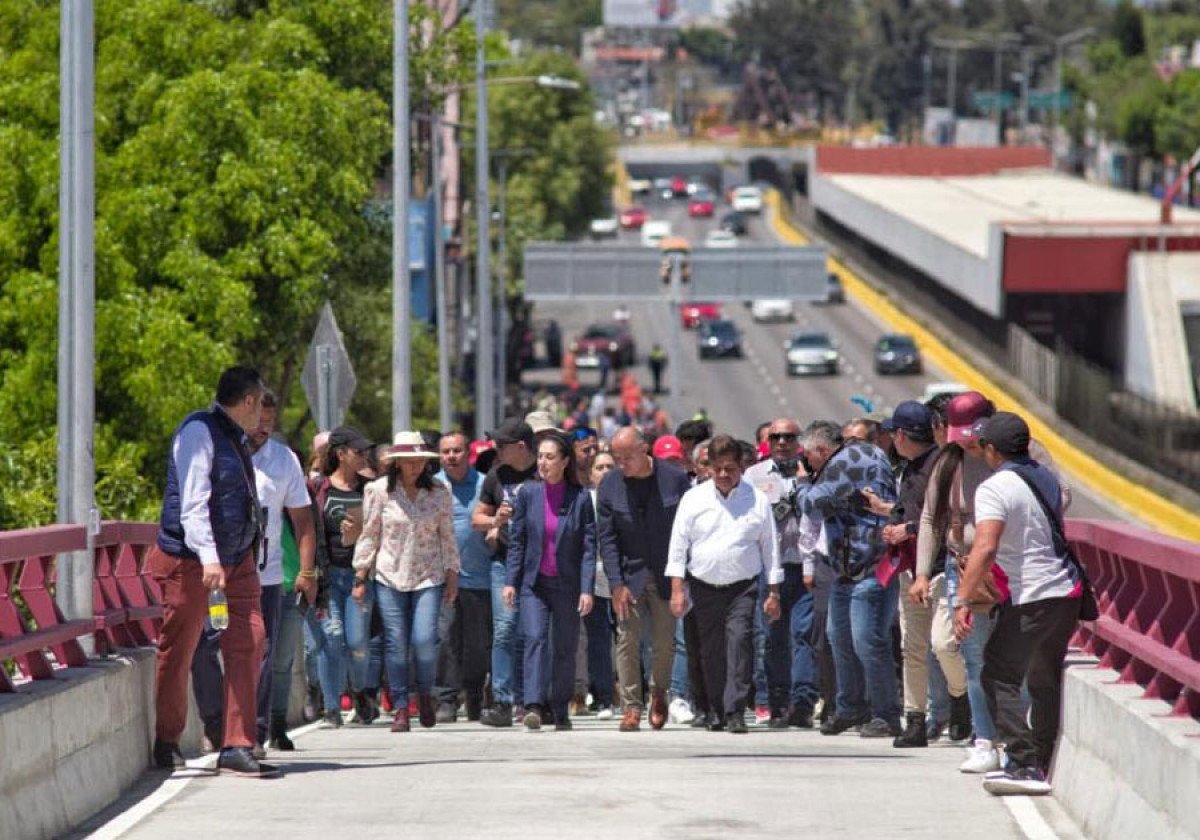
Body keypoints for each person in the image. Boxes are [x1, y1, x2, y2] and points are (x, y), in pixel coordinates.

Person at [150, 366, 272, 776]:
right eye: (261, 403)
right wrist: (209, 557)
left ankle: (237, 743)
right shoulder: (197, 432)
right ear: (249, 400)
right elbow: (192, 502)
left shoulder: (237, 439)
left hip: (237, 561)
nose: (264, 415)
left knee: (250, 639)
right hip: (192, 559)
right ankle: (167, 739)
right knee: (180, 645)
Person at [954, 412, 1083, 796]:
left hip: (1032, 593)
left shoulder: (996, 487)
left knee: (997, 673)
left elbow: (985, 544)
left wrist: (963, 598)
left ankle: (1023, 764)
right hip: (1065, 592)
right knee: (1043, 678)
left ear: (991, 449)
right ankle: (1040, 760)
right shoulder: (1045, 477)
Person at [190, 391, 317, 757]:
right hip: (220, 576)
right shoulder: (219, 452)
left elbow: (303, 521)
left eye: (270, 422)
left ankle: (252, 734)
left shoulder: (284, 460)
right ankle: (216, 724)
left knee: (260, 652)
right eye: (257, 421)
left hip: (267, 578)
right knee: (204, 648)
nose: (263, 429)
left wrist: (307, 571)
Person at [868, 401, 970, 748]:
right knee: (911, 647)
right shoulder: (909, 468)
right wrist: (892, 522)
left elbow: (937, 519)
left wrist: (907, 529)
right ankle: (915, 718)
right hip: (910, 570)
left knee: (943, 644)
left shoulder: (940, 466)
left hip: (941, 569)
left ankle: (961, 700)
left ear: (900, 434)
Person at [667, 435, 783, 733]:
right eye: (716, 468)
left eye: (729, 468)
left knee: (740, 644)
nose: (722, 475)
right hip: (703, 586)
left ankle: (735, 711)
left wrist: (773, 592)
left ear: (741, 467)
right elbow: (678, 546)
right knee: (710, 650)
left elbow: (770, 547)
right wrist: (677, 589)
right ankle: (714, 709)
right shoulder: (694, 499)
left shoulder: (756, 499)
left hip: (742, 588)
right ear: (708, 468)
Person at [798, 420, 900, 739]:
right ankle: (850, 707)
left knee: (866, 641)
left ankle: (886, 714)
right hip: (848, 568)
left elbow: (809, 505)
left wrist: (802, 482)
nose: (807, 463)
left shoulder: (844, 461)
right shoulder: (860, 454)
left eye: (808, 456)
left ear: (821, 451)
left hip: (869, 565)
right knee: (839, 638)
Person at [353, 432, 461, 733]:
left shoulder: (440, 491)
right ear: (397, 464)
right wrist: (360, 573)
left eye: (420, 462)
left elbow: (448, 535)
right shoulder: (378, 491)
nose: (415, 468)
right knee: (396, 643)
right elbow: (370, 533)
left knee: (425, 641)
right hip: (389, 575)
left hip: (429, 575)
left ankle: (425, 693)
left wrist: (453, 574)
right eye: (409, 462)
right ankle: (401, 705)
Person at [596, 426, 692, 731]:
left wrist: (683, 576)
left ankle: (659, 692)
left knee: (664, 643)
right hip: (630, 575)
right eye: (616, 457)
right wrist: (616, 584)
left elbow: (687, 529)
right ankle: (631, 707)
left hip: (668, 574)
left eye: (627, 457)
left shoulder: (674, 479)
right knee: (627, 640)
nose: (621, 463)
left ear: (645, 450)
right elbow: (607, 539)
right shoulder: (610, 485)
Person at [502, 433, 597, 730]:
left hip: (568, 586)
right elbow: (517, 541)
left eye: (550, 457)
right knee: (534, 639)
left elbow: (588, 548)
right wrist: (510, 582)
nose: (543, 462)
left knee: (565, 647)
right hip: (535, 585)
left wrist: (586, 589)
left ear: (565, 460)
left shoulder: (580, 498)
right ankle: (533, 704)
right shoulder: (527, 494)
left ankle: (560, 707)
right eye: (540, 456)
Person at [745, 418, 820, 730]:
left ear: (798, 441)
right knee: (773, 638)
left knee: (804, 636)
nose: (782, 443)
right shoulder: (754, 475)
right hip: (770, 570)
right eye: (776, 437)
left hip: (806, 567)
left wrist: (804, 484)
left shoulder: (813, 472)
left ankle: (802, 702)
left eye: (789, 437)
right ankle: (776, 703)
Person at [308, 425, 376, 728]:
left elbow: (381, 530)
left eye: (365, 452)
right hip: (328, 574)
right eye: (358, 451)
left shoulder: (370, 488)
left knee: (359, 643)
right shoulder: (319, 489)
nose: (364, 456)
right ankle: (332, 706)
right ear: (340, 454)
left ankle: (360, 692)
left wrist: (360, 532)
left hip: (359, 575)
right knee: (331, 638)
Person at [474, 418, 539, 727]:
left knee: (534, 633)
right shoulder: (496, 476)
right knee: (505, 629)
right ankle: (502, 700)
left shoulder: (544, 473)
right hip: (503, 562)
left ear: (521, 447)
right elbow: (478, 518)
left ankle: (534, 699)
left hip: (539, 563)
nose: (495, 450)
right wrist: (495, 521)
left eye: (501, 445)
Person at [433, 432, 493, 723]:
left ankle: (473, 694)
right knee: (446, 639)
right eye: (446, 452)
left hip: (479, 578)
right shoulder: (431, 486)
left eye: (457, 450)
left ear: (467, 453)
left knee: (477, 644)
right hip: (442, 579)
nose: (451, 456)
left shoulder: (484, 485)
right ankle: (446, 698)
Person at [585, 452, 618, 718]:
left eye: (610, 466)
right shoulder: (586, 500)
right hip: (592, 577)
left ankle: (637, 695)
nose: (605, 471)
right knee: (597, 639)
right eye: (600, 467)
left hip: (623, 577)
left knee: (630, 639)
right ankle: (603, 696)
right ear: (591, 473)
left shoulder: (626, 495)